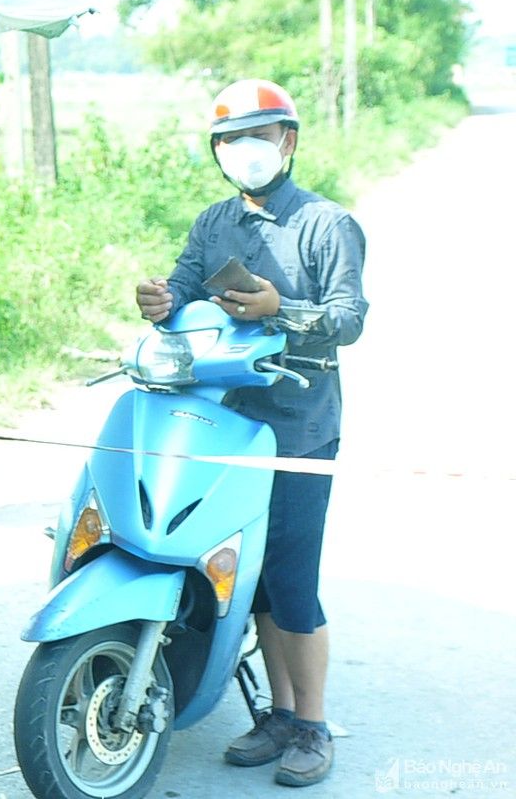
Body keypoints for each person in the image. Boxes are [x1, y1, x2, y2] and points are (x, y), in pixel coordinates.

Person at [135, 78, 367, 788]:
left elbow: (349, 318)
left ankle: (314, 724)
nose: (246, 153)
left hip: (300, 429)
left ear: (287, 142)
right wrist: (160, 301)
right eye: (232, 142)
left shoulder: (327, 224)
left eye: (258, 138)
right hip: (223, 422)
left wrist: (282, 307)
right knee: (255, 577)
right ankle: (279, 711)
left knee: (294, 580)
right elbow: (181, 292)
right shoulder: (213, 224)